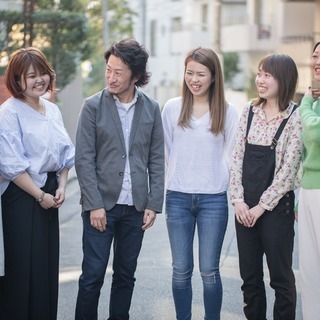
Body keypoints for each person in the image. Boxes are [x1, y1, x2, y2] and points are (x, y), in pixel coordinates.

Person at [74, 38, 165, 320]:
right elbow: (83, 159)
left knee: (126, 276)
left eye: (119, 72)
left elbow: (157, 159)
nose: (111, 77)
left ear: (135, 76)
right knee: (92, 275)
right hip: (102, 206)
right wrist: (94, 205)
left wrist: (153, 203)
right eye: (108, 70)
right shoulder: (92, 107)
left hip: (135, 208)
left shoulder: (151, 109)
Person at [162, 47, 239, 320]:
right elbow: (166, 152)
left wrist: (214, 180)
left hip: (213, 200)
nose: (194, 79)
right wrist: (181, 176)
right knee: (181, 269)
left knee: (209, 270)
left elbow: (233, 157)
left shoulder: (229, 113)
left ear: (214, 77)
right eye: (189, 73)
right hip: (178, 198)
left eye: (201, 74)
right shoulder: (172, 108)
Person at [0, 47, 75, 320]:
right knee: (21, 269)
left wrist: (62, 187)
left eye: (42, 72)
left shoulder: (52, 109)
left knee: (45, 268)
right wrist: (39, 195)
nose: (39, 79)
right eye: (31, 75)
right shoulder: (9, 113)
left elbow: (66, 154)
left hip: (51, 192)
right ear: (17, 80)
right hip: (21, 197)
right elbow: (10, 164)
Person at [230, 54, 303, 320]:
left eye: (267, 75)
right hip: (244, 207)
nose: (260, 80)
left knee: (281, 279)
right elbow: (236, 157)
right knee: (249, 279)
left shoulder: (294, 117)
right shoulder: (249, 110)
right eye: (259, 74)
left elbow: (288, 171)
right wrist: (238, 200)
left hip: (275, 209)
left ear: (282, 79)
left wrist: (260, 207)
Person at [297, 41, 320, 320]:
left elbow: (314, 133)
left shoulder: (308, 103)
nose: (317, 61)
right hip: (309, 191)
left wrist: (304, 101)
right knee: (309, 270)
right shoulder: (314, 101)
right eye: (315, 55)